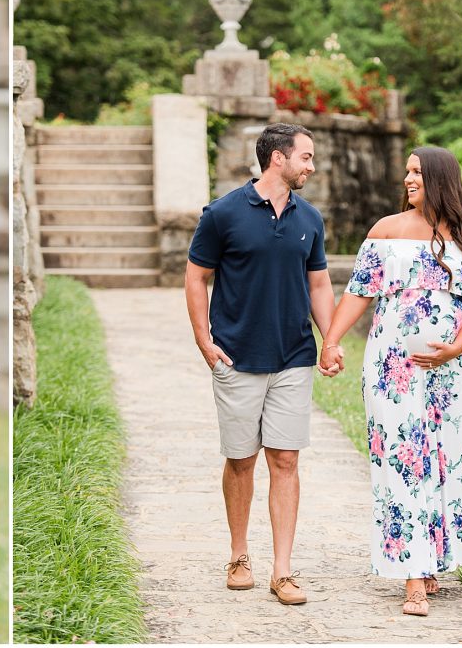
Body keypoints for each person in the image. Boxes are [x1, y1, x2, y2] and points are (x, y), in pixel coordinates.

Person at [319, 146, 462, 617]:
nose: (407, 179)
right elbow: (358, 293)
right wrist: (332, 341)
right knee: (402, 462)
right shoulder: (386, 231)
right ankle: (413, 578)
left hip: (453, 370)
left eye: (417, 172)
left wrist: (457, 347)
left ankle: (434, 560)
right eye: (406, 172)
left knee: (449, 459)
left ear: (440, 178)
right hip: (393, 369)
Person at [185, 123, 339, 606]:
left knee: (286, 459)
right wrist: (204, 341)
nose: (311, 166)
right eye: (306, 157)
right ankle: (238, 555)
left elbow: (319, 284)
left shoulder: (309, 218)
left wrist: (330, 340)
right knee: (240, 460)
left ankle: (283, 570)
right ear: (278, 158)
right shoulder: (223, 214)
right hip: (237, 355)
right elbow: (196, 277)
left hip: (293, 355)